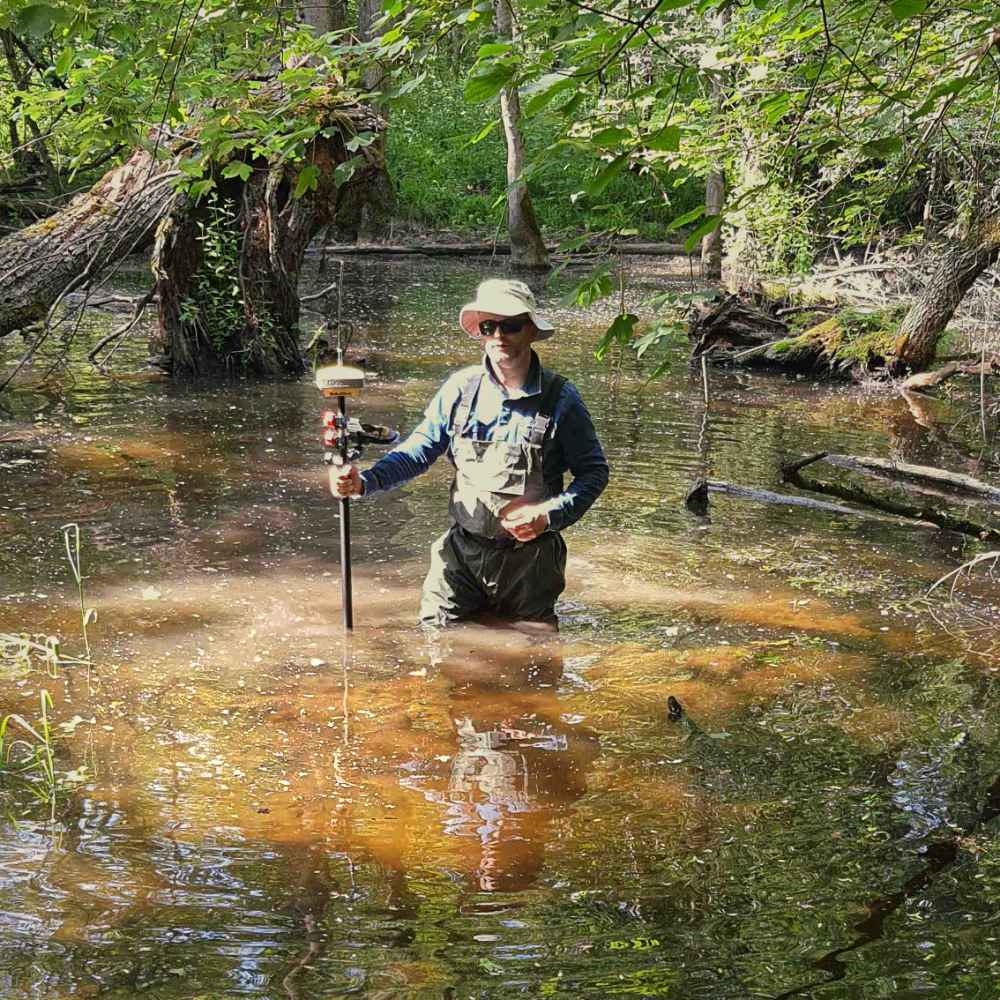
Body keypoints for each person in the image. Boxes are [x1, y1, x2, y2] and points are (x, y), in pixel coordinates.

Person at [332, 278, 609, 631]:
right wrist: (364, 482)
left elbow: (594, 473)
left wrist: (547, 515)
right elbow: (418, 451)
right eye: (488, 326)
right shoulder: (460, 390)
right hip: (461, 555)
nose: (499, 336)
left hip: (531, 563)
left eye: (510, 325)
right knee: (437, 641)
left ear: (531, 331)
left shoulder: (562, 398)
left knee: (533, 659)